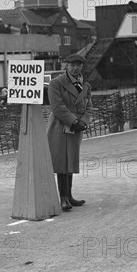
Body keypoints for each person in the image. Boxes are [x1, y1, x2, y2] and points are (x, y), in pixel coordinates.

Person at [47, 52, 93, 211]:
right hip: (60, 127)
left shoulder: (85, 85)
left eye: (78, 65)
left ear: (82, 66)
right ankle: (63, 199)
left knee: (71, 160)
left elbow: (88, 107)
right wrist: (73, 121)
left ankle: (70, 196)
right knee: (61, 161)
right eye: (72, 65)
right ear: (66, 65)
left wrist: (84, 122)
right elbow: (58, 107)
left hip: (76, 127)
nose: (75, 68)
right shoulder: (56, 83)